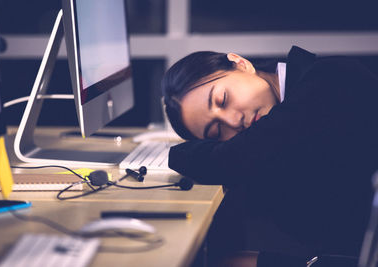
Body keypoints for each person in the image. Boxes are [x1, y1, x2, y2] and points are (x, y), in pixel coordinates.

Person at [161, 46, 378, 266]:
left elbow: (224, 161)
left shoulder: (330, 80)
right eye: (217, 132)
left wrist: (175, 152)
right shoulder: (273, 137)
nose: (233, 122)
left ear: (240, 63)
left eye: (223, 99)